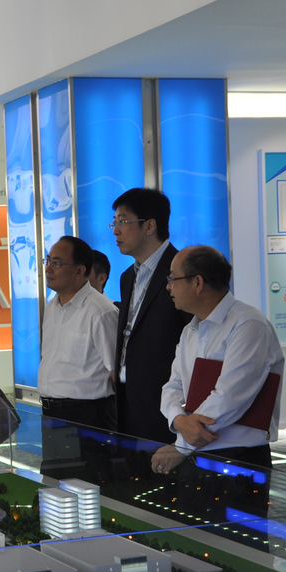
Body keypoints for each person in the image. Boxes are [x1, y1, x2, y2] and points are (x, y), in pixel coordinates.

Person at [152, 246, 284, 473]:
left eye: (172, 278)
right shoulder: (190, 331)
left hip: (239, 457)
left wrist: (181, 446)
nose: (168, 286)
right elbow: (172, 387)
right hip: (196, 454)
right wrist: (178, 420)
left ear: (197, 282)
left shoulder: (249, 325)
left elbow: (229, 397)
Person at [112, 188, 190, 443]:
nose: (115, 230)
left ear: (149, 226)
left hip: (169, 406)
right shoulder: (127, 277)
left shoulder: (184, 272)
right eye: (114, 222)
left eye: (123, 221)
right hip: (128, 401)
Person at [37, 236, 118, 430]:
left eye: (57, 263)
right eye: (48, 261)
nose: (48, 269)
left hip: (87, 414)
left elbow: (116, 372)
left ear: (80, 271)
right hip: (51, 411)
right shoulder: (52, 306)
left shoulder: (101, 311)